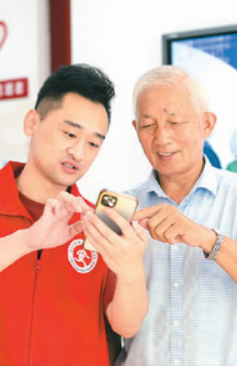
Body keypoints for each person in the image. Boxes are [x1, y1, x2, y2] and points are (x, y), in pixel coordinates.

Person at [116, 65, 237, 366]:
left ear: (207, 124)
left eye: (175, 122)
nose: (162, 138)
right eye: (148, 125)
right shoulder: (124, 208)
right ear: (136, 130)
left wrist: (205, 238)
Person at [0, 64, 149, 366]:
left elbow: (126, 325)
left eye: (93, 143)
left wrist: (131, 268)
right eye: (70, 133)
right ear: (31, 123)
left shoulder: (98, 224)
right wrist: (27, 241)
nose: (79, 153)